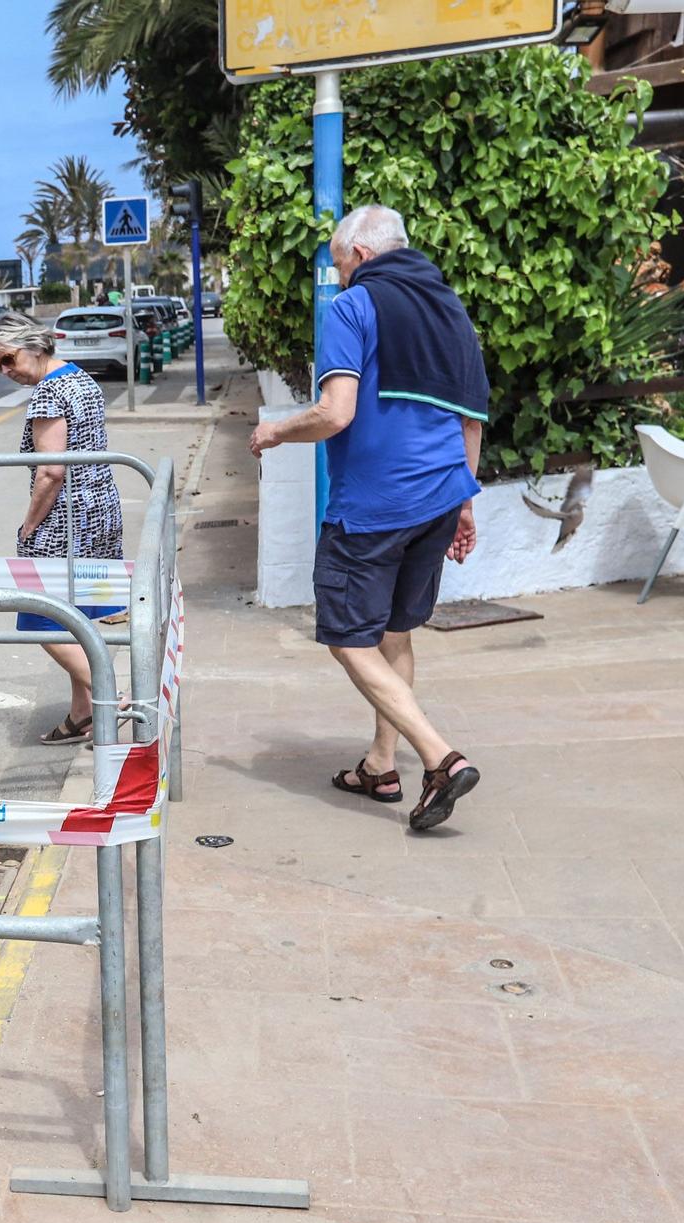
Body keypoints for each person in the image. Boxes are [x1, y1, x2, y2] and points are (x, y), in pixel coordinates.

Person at [249, 203, 486, 832]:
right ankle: (381, 764)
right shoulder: (450, 311)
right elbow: (470, 418)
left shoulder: (352, 308)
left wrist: (276, 431)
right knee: (396, 633)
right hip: (438, 498)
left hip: (375, 508)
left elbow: (335, 413)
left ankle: (439, 757)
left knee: (348, 636)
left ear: (360, 254)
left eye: (337, 262)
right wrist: (463, 501)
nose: (338, 275)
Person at [0, 312, 124, 746]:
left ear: (33, 346)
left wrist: (29, 526)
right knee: (78, 619)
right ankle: (83, 712)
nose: (5, 371)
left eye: (7, 360)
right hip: (99, 510)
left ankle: (112, 700)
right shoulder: (81, 379)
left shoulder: (48, 393)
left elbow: (50, 472)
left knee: (43, 621)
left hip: (66, 522)